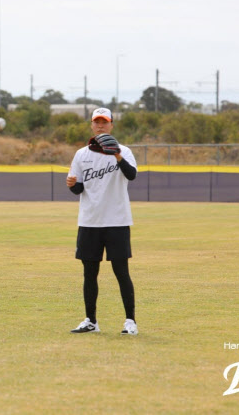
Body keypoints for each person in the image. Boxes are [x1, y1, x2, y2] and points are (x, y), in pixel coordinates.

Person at [66, 108, 138, 335]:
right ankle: (91, 321)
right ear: (91, 125)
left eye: (104, 122)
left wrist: (116, 155)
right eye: (96, 122)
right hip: (89, 221)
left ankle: (130, 322)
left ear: (112, 126)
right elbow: (78, 188)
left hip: (117, 220)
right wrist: (71, 184)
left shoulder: (124, 151)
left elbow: (132, 175)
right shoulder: (81, 154)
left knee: (121, 271)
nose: (100, 126)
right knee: (89, 273)